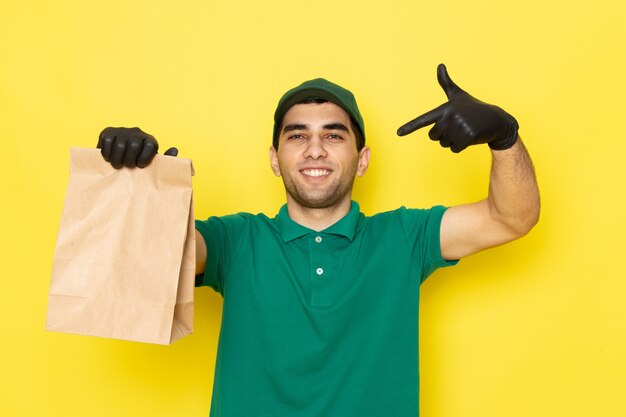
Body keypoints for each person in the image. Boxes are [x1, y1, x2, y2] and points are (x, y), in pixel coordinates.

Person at [97, 64, 540, 417]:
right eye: (297, 136)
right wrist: (137, 185)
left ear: (361, 159)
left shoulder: (405, 237)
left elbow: (511, 218)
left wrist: (505, 136)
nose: (315, 149)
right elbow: (161, 257)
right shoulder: (236, 239)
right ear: (275, 159)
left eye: (333, 135)